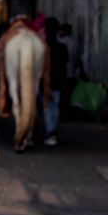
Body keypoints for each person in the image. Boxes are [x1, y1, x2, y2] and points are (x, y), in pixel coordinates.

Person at [43, 18, 68, 146]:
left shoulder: (43, 47)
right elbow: (65, 66)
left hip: (46, 82)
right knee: (55, 106)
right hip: (58, 81)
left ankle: (50, 132)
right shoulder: (62, 48)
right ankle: (52, 130)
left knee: (47, 106)